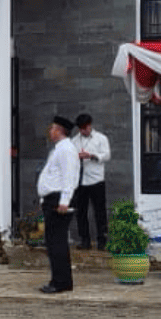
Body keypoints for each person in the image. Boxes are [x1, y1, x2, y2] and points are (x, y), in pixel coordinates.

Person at [36, 115, 80, 295]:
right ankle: (59, 280)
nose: (50, 131)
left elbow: (69, 176)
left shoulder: (66, 149)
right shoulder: (59, 149)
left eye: (53, 128)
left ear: (60, 131)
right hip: (52, 199)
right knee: (54, 242)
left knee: (57, 242)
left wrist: (64, 201)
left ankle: (60, 282)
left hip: (58, 200)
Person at [71, 112, 111, 250]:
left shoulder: (101, 138)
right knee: (81, 212)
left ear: (90, 125)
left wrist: (91, 155)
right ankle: (85, 240)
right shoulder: (74, 141)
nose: (84, 131)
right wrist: (77, 157)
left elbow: (107, 155)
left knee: (100, 211)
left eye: (85, 128)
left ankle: (102, 241)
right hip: (80, 180)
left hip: (96, 179)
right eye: (81, 129)